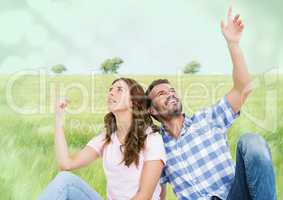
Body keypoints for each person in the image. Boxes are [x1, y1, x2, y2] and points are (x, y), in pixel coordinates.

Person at [145, 8, 276, 200]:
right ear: (151, 110)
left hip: (234, 196)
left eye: (172, 91)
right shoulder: (157, 146)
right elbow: (156, 191)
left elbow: (243, 88)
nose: (171, 95)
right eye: (162, 94)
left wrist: (233, 44)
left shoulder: (208, 119)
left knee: (251, 142)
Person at [38, 77, 166, 200]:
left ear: (134, 102)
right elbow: (66, 164)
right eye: (110, 89)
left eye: (119, 90)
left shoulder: (152, 139)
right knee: (65, 180)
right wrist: (58, 118)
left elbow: (144, 196)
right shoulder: (106, 138)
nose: (111, 93)